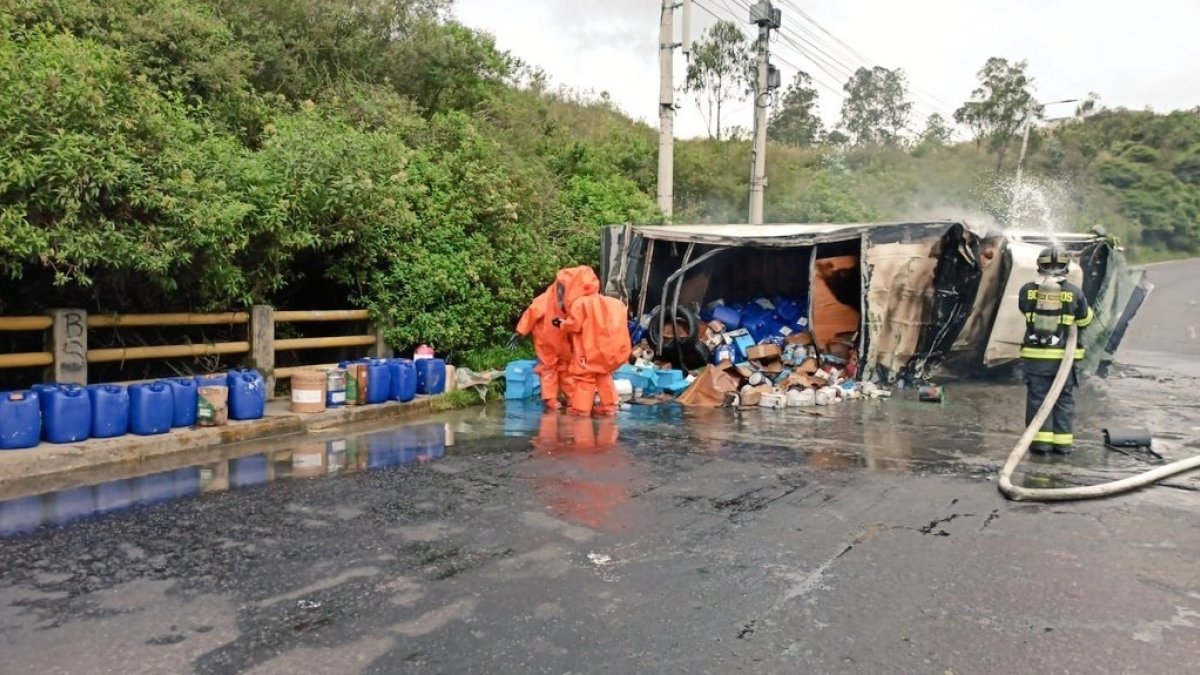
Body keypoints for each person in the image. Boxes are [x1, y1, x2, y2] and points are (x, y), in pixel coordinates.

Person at [1017, 245, 1094, 454]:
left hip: (1036, 358)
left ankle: (1040, 444)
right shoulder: (1073, 292)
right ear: (1065, 266)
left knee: (1037, 399)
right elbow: (1084, 319)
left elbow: (1024, 309)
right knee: (1063, 400)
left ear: (1039, 266)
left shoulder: (1027, 290)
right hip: (1063, 360)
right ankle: (1062, 445)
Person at [509, 266, 603, 411]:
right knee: (549, 368)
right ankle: (550, 398)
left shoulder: (574, 298)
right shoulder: (547, 299)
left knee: (567, 368)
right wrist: (520, 332)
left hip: (565, 340)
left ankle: (572, 397)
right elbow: (532, 313)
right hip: (547, 339)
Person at [561, 268, 631, 416]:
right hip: (610, 352)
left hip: (589, 351)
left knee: (584, 379)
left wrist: (562, 323)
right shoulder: (613, 303)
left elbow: (574, 325)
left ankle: (581, 409)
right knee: (604, 375)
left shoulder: (580, 303)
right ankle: (610, 406)